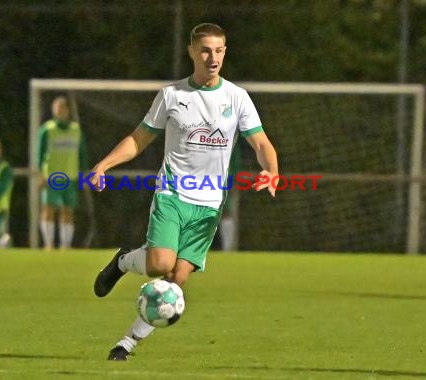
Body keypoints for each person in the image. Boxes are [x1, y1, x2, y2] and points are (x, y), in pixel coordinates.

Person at [91, 23, 279, 361]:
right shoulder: (172, 95)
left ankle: (126, 344)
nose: (213, 57)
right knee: (159, 264)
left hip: (209, 206)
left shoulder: (236, 98)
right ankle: (122, 262)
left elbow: (261, 142)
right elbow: (139, 138)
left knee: (175, 281)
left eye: (219, 50)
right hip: (173, 194)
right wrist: (104, 165)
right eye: (205, 50)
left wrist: (272, 171)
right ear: (192, 51)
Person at [37, 96, 88, 250]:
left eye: (63, 108)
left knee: (68, 210)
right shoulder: (47, 129)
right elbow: (39, 154)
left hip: (71, 176)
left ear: (68, 110)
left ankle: (66, 245)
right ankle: (49, 243)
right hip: (51, 177)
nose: (60, 111)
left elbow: (82, 154)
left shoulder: (76, 130)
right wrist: (41, 174)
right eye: (57, 108)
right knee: (49, 209)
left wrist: (83, 174)